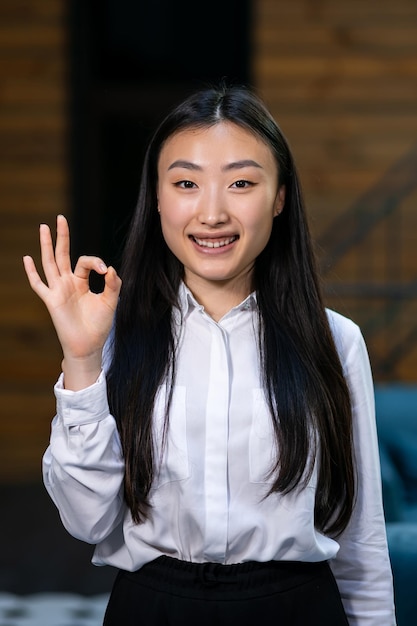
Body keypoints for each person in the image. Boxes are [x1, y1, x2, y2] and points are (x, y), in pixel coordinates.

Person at [23, 83, 396, 625]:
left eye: (242, 182)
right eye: (186, 184)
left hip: (296, 610)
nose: (212, 212)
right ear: (157, 198)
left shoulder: (336, 342)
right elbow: (87, 522)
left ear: (281, 197)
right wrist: (81, 359)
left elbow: (361, 542)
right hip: (152, 610)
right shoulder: (113, 337)